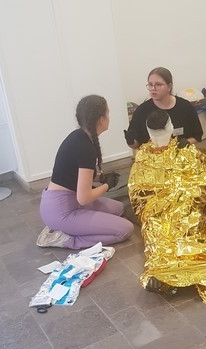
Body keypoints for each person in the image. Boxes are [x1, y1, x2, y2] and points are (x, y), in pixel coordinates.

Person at [128, 109, 206, 303]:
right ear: (171, 127)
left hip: (177, 205)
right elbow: (204, 181)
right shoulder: (180, 150)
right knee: (172, 232)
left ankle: (166, 274)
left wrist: (178, 195)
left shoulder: (146, 153)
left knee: (171, 232)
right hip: (163, 208)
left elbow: (136, 191)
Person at [37, 95, 134, 249]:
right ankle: (64, 239)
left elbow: (73, 176)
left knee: (119, 209)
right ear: (101, 119)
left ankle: (72, 228)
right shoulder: (86, 148)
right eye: (108, 113)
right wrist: (107, 186)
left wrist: (100, 179)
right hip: (62, 211)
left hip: (63, 202)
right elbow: (84, 198)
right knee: (125, 229)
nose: (109, 117)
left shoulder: (79, 137)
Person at [124, 67, 203, 149]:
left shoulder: (185, 107)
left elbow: (197, 136)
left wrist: (187, 143)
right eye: (150, 84)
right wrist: (130, 141)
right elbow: (135, 145)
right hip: (152, 156)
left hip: (180, 155)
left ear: (169, 86)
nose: (153, 88)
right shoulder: (141, 111)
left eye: (158, 84)